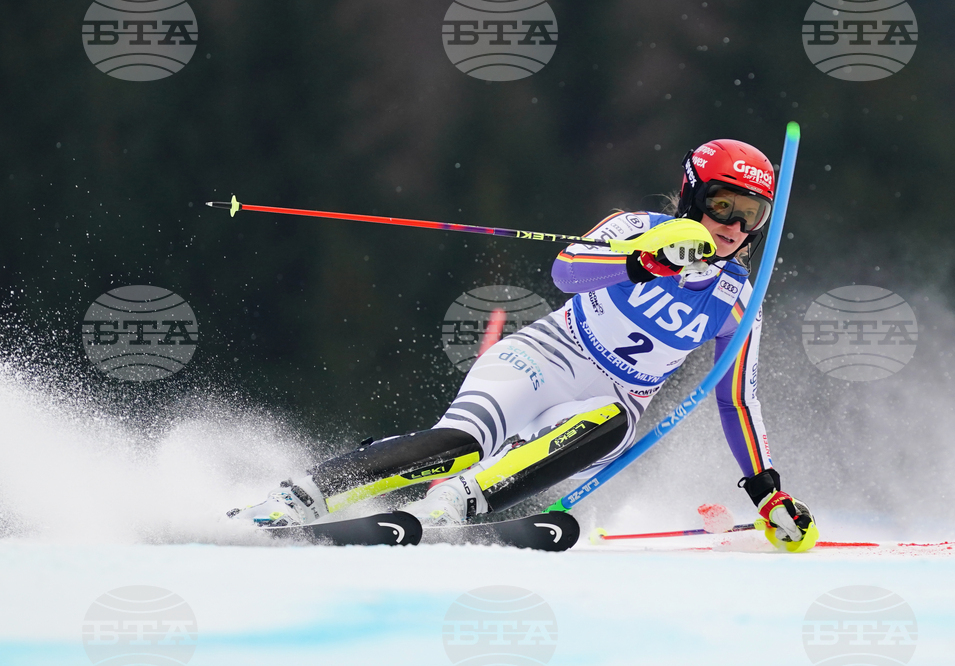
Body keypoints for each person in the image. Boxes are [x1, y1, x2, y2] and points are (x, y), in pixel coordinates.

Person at [230, 138, 816, 547]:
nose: (734, 227)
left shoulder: (738, 296)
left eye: (751, 216)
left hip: (610, 401)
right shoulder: (636, 228)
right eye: (722, 205)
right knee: (461, 441)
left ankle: (448, 509)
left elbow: (736, 398)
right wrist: (643, 262)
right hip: (544, 356)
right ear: (693, 196)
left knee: (614, 422)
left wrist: (767, 493)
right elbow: (567, 271)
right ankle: (298, 497)